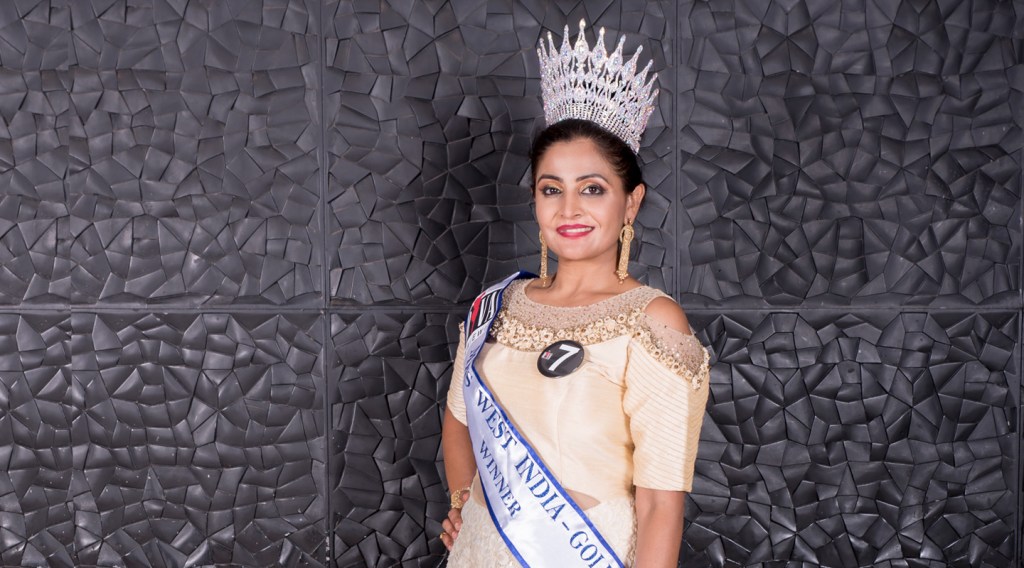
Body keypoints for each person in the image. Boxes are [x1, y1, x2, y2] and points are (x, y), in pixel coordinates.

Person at [439, 21, 711, 568]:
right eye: (551, 189)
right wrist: (463, 502)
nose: (569, 209)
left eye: (592, 188)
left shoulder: (654, 322)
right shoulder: (496, 307)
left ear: (630, 202)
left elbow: (661, 504)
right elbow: (458, 419)